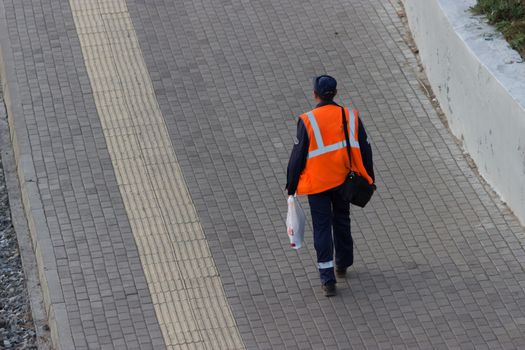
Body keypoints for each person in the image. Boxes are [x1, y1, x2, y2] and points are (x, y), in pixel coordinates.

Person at [286, 75, 375, 297]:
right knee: (342, 220)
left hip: (317, 185)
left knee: (322, 228)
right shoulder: (350, 116)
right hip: (344, 180)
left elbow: (297, 156)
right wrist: (370, 179)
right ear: (335, 93)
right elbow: (365, 149)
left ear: (315, 94)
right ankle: (343, 263)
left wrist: (291, 185)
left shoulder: (307, 120)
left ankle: (327, 279)